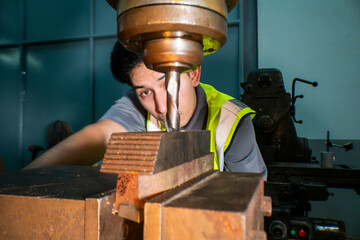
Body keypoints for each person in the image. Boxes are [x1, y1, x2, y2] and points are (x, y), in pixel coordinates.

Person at [24, 41, 267, 179]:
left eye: (168, 83)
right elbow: (98, 136)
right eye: (145, 92)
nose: (161, 107)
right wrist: (15, 183)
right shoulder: (136, 104)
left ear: (194, 73)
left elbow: (250, 197)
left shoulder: (232, 122)